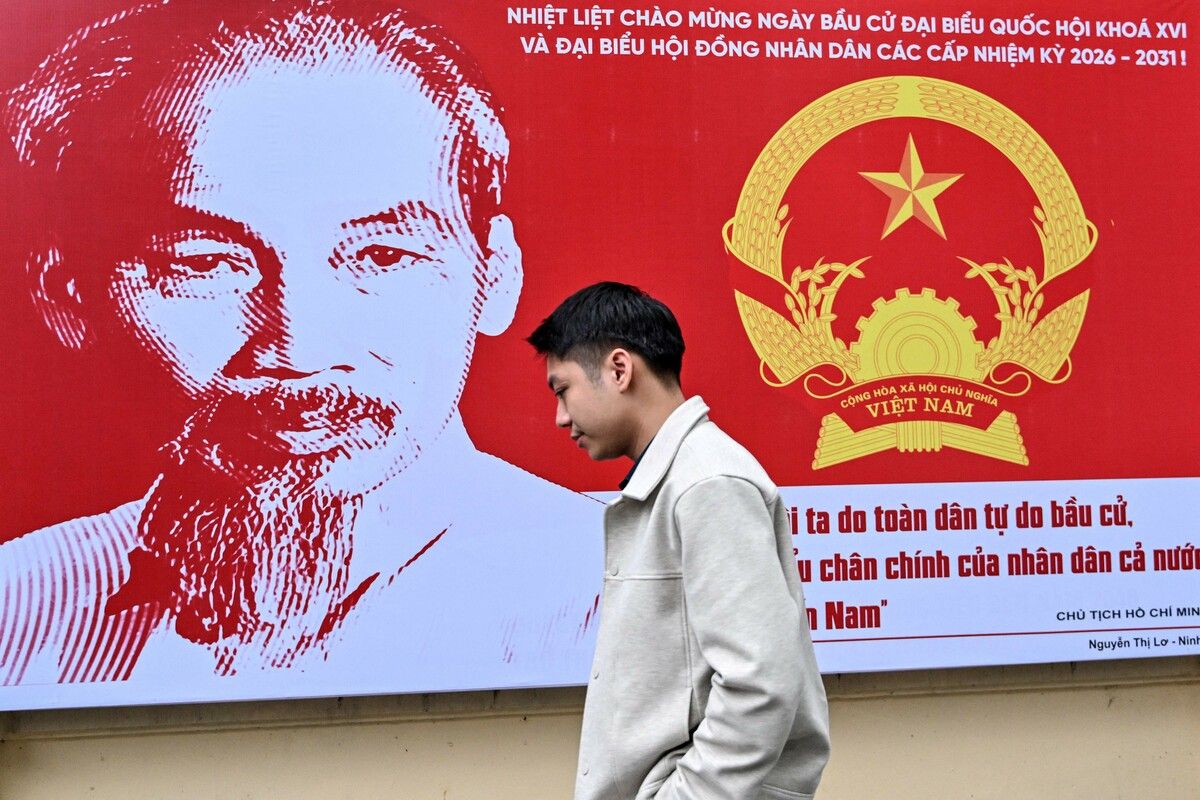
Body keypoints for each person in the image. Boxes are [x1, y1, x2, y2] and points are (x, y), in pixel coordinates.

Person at [0, 0, 600, 708]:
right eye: (206, 263)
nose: (300, 347)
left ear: (493, 276)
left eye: (383, 254)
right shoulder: (21, 604)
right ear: (65, 296)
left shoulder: (640, 595)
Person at [528, 282, 830, 800]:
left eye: (563, 389)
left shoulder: (708, 483)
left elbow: (760, 683)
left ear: (620, 370)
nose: (560, 416)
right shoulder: (681, 480)